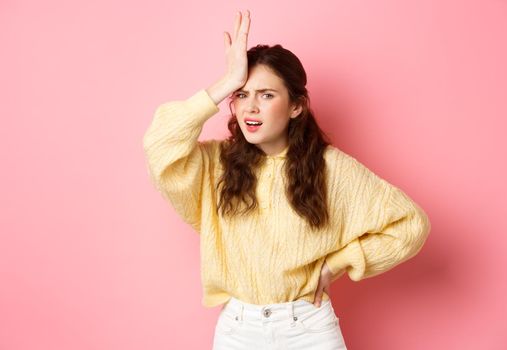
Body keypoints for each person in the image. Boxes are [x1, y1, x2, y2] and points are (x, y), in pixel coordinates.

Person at [142, 9, 431, 350]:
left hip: (307, 327)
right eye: (242, 94)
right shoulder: (214, 164)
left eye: (266, 95)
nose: (250, 107)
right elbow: (159, 145)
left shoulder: (330, 167)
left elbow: (410, 225)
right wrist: (224, 84)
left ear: (296, 106)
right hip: (238, 330)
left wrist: (338, 263)